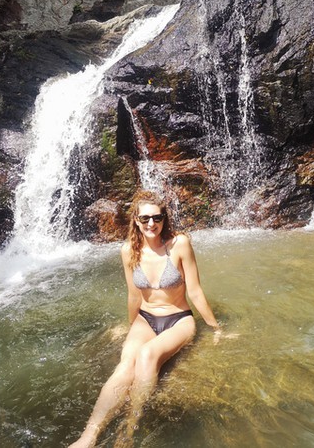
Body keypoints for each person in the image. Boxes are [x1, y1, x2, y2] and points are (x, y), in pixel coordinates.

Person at [69, 190, 225, 448]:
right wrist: (130, 327)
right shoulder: (128, 251)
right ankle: (89, 436)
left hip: (179, 319)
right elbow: (134, 295)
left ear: (164, 219)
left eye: (157, 217)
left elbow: (195, 291)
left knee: (147, 355)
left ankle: (129, 428)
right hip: (145, 318)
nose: (151, 224)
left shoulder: (180, 244)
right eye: (145, 219)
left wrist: (216, 327)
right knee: (125, 365)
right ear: (136, 221)